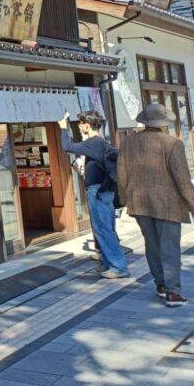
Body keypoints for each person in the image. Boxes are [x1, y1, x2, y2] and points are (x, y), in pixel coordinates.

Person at [118, 103, 194, 307]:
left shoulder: (127, 143)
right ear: (164, 123)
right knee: (169, 248)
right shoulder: (172, 143)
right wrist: (193, 205)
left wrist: (124, 199)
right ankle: (173, 292)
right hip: (167, 203)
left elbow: (121, 174)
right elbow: (182, 178)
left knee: (151, 245)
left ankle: (160, 284)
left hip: (139, 202)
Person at [58, 110, 129, 279]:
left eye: (81, 123)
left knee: (104, 229)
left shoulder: (93, 143)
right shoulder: (101, 142)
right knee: (105, 228)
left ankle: (119, 267)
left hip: (98, 191)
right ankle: (108, 263)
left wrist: (63, 128)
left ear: (87, 125)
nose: (79, 126)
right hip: (105, 190)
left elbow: (67, 147)